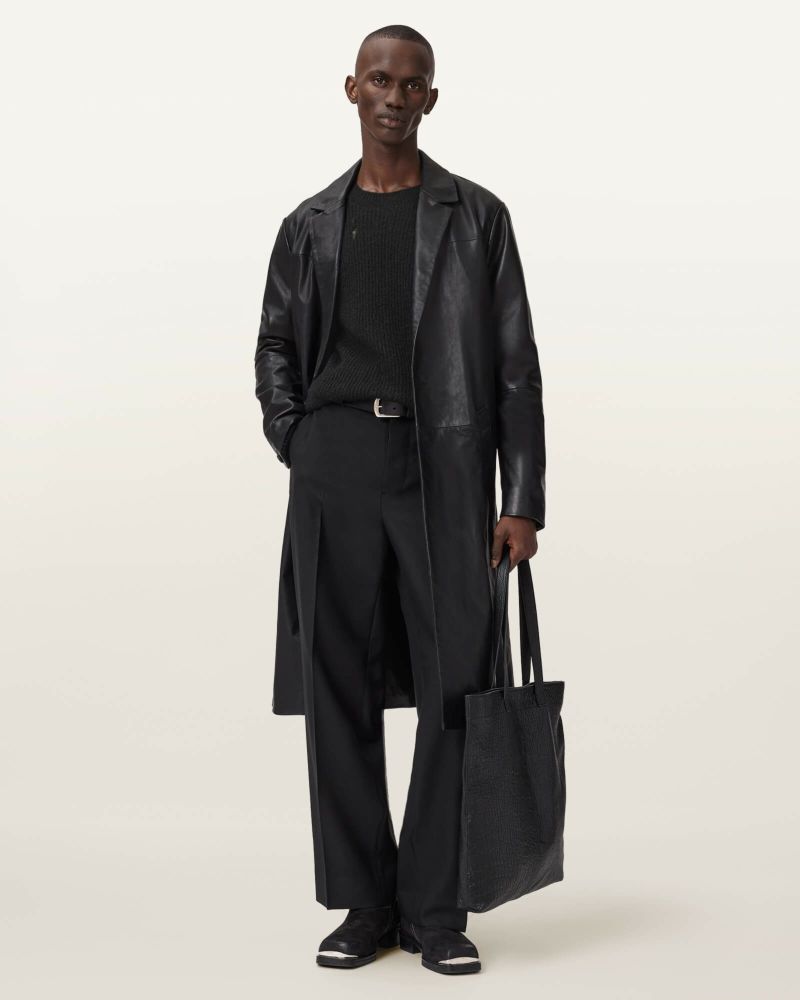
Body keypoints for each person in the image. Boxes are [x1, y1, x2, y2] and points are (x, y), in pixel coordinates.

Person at [254, 24, 545, 976]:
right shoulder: (309, 223)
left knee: (455, 684)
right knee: (337, 684)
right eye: (379, 79)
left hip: (442, 466)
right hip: (334, 463)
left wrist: (521, 499)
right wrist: (297, 435)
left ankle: (435, 908)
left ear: (431, 99)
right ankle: (364, 904)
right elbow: (274, 345)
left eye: (411, 83)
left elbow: (515, 368)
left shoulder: (477, 217)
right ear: (351, 89)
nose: (393, 95)